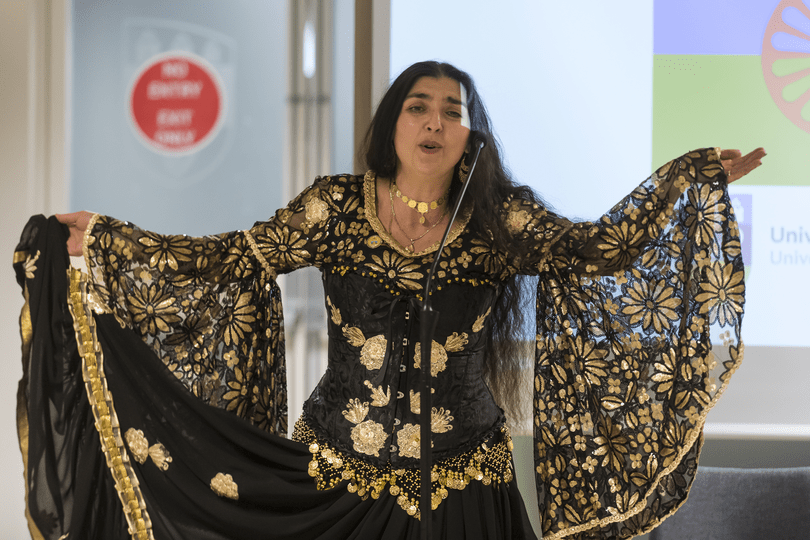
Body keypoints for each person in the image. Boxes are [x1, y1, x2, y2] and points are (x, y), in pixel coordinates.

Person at [14, 61, 765, 540]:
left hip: (469, 493)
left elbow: (600, 249)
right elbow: (233, 259)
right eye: (417, 106)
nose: (434, 120)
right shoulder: (336, 208)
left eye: (452, 109)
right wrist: (114, 242)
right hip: (334, 484)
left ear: (471, 134)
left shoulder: (500, 216)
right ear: (393, 124)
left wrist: (686, 181)